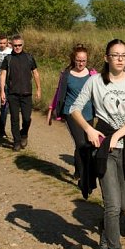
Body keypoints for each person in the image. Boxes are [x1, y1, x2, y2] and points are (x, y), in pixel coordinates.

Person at [69, 39, 125, 249]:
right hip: (105, 151)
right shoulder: (95, 81)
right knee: (112, 206)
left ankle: (104, 228)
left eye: (124, 55)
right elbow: (75, 108)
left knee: (124, 206)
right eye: (115, 55)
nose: (121, 59)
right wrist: (89, 131)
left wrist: (119, 135)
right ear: (106, 58)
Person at [47, 44, 97, 179]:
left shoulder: (93, 74)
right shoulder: (66, 75)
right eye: (78, 60)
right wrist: (52, 109)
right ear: (74, 59)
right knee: (80, 143)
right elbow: (59, 93)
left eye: (83, 60)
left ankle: (79, 169)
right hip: (71, 113)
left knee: (87, 144)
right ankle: (82, 174)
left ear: (87, 60)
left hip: (88, 113)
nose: (81, 63)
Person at [0, 34, 41, 151]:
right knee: (14, 119)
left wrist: (39, 89)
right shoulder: (8, 59)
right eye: (15, 45)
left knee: (27, 118)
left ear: (23, 45)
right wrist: (2, 91)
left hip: (27, 93)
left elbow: (35, 73)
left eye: (19, 45)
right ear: (11, 45)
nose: (17, 47)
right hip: (12, 94)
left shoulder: (29, 57)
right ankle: (16, 142)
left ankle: (24, 134)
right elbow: (3, 75)